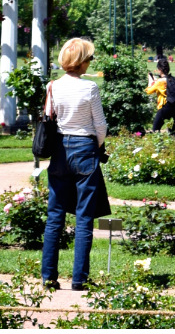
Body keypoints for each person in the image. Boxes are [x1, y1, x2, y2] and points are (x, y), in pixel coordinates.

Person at [41, 36, 109, 292]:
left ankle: (49, 277)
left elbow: (49, 118)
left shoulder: (52, 86)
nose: (90, 62)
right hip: (85, 148)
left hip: (60, 149)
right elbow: (100, 125)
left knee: (54, 216)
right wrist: (97, 147)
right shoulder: (90, 88)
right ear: (81, 62)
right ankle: (79, 278)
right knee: (84, 217)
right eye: (89, 58)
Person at [150, 58, 175, 136]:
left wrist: (150, 79)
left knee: (155, 130)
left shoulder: (160, 81)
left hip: (166, 107)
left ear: (160, 69)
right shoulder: (173, 79)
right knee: (172, 131)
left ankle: (159, 144)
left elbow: (148, 91)